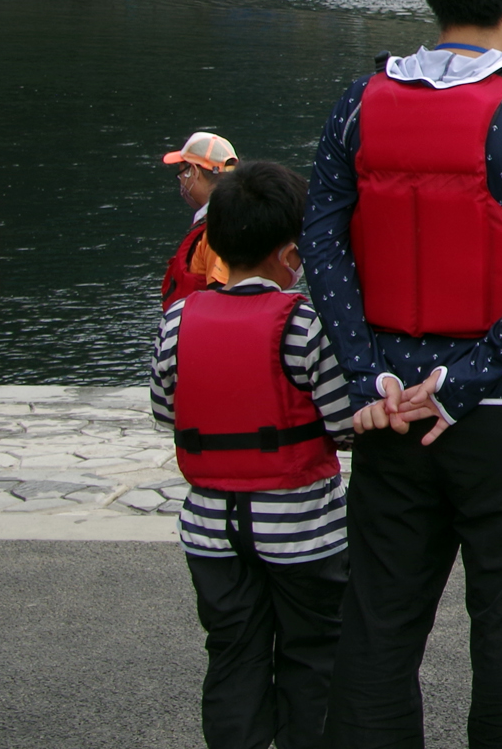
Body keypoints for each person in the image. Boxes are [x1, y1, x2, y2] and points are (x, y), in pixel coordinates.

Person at [300, 0, 502, 749]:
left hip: (389, 414)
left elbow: (322, 240)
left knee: (379, 627)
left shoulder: (360, 102)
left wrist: (367, 376)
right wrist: (463, 382)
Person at [152, 160, 351, 749]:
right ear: (292, 253)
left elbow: (167, 413)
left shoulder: (179, 321)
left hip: (211, 531)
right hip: (304, 532)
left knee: (232, 656)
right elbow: (342, 424)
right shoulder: (305, 324)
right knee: (313, 657)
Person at [161, 130, 240, 309]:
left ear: (194, 172)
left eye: (182, 172)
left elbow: (223, 295)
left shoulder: (217, 228)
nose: (180, 180)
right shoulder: (238, 215)